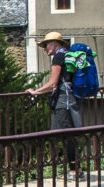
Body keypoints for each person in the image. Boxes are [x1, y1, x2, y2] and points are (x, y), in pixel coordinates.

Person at [26, 29, 87, 177]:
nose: (45, 48)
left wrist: (35, 92)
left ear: (54, 44)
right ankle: (75, 168)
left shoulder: (59, 57)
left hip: (63, 101)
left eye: (46, 45)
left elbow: (52, 83)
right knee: (67, 134)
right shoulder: (67, 55)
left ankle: (74, 171)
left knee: (66, 135)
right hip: (71, 98)